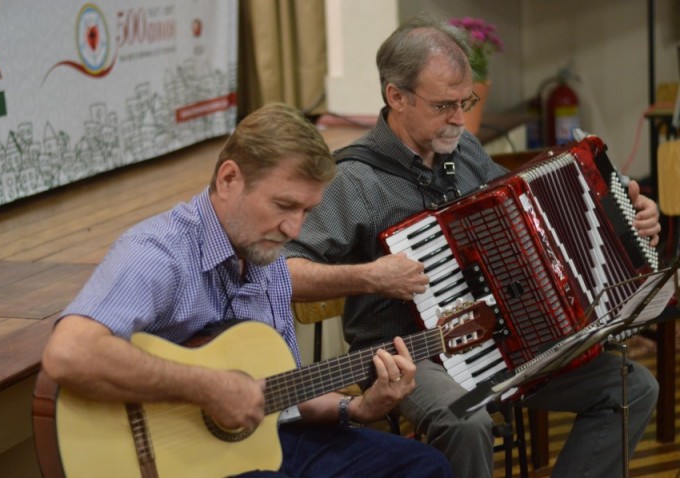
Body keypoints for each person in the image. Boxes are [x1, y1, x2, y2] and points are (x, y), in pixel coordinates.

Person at [283, 16, 662, 478]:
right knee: (466, 419)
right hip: (411, 356)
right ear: (396, 97)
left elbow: (532, 217)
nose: (460, 119)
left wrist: (624, 218)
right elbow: (280, 273)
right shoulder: (355, 180)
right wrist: (368, 275)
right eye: (444, 105)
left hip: (505, 343)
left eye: (466, 102)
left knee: (630, 387)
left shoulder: (461, 152)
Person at [41, 103, 452, 477]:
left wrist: (357, 407)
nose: (294, 229)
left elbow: (280, 395)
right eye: (283, 206)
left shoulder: (265, 254)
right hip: (176, 462)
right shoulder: (159, 253)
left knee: (424, 467)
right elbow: (69, 352)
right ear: (229, 179)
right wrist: (208, 387)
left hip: (267, 444)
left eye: (306, 211)